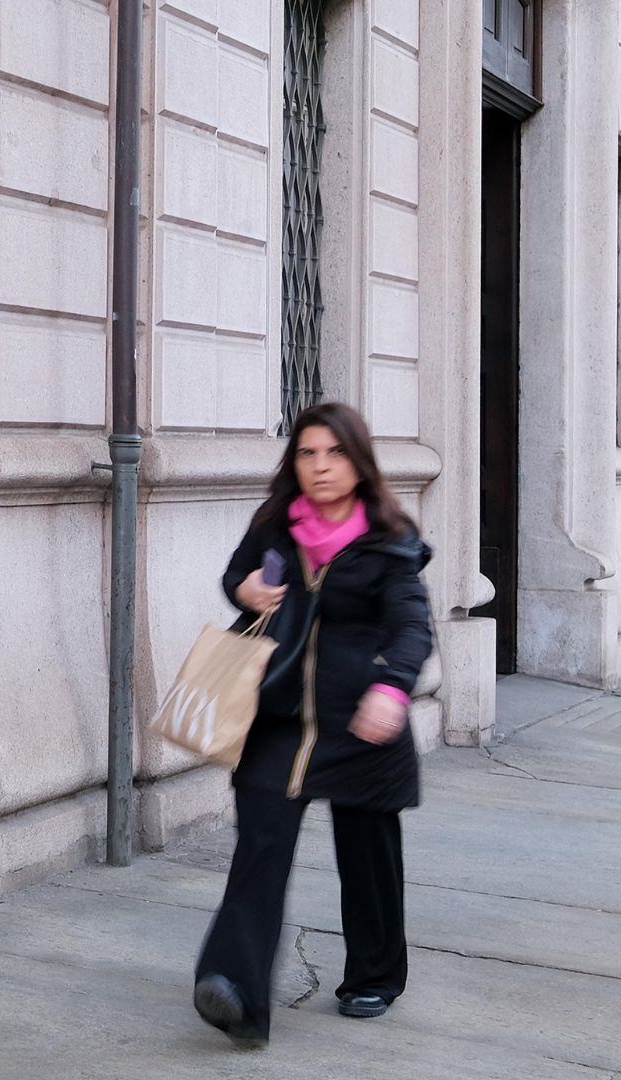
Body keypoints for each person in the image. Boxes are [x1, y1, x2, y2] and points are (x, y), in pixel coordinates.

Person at [192, 402, 435, 1047]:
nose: (320, 467)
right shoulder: (274, 526)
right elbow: (233, 577)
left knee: (369, 854)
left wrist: (391, 689)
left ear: (358, 463)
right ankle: (234, 989)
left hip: (362, 726)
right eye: (307, 453)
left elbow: (412, 628)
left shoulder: (389, 541)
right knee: (260, 849)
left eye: (334, 453)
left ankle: (374, 977)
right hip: (278, 720)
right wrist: (243, 591)